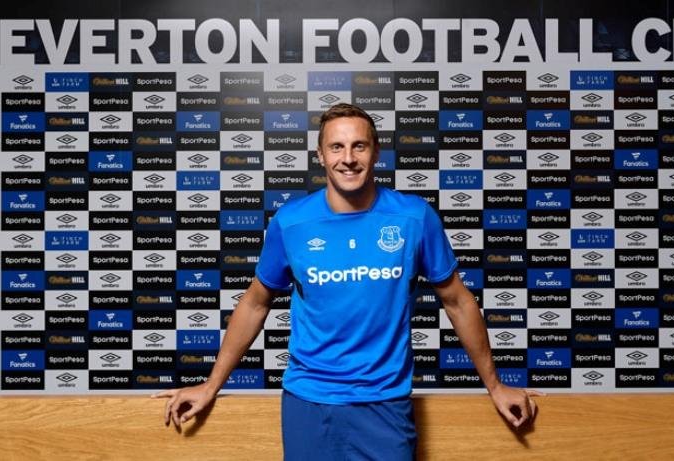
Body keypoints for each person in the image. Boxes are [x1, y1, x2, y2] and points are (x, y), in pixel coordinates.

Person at [155, 103, 540, 459]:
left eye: (359, 146)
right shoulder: (292, 222)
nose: (348, 158)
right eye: (336, 147)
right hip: (308, 401)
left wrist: (495, 385)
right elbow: (256, 303)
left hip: (385, 403)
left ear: (376, 152)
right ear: (321, 155)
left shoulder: (414, 217)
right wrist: (211, 385)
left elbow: (457, 301)